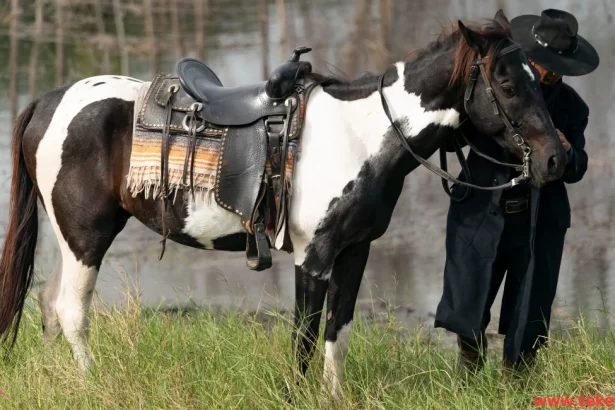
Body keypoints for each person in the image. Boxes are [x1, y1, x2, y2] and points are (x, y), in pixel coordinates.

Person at [434, 9, 600, 373]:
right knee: (468, 309)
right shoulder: (491, 84)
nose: (550, 72)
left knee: (529, 316)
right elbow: (449, 141)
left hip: (538, 223)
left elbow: (578, 167)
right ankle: (467, 380)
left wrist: (569, 152)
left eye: (558, 66)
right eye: (544, 64)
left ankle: (517, 385)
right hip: (480, 216)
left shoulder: (573, 107)